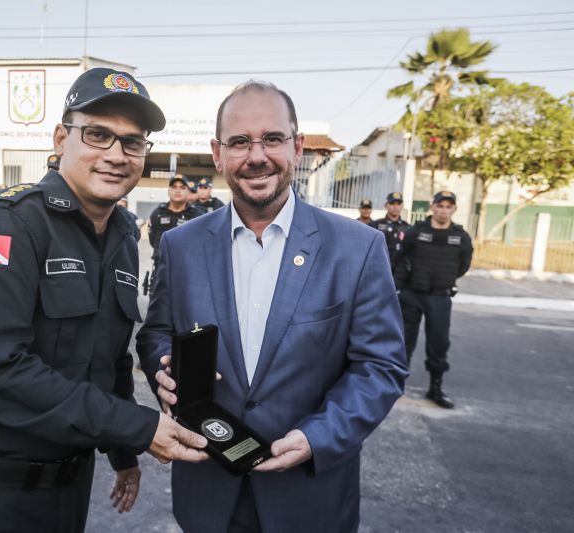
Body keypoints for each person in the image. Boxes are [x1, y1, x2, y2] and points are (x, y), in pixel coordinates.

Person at [0, 67, 208, 533]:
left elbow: (107, 359)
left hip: (68, 488)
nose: (116, 155)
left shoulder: (120, 235)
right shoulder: (9, 223)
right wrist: (135, 428)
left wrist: (122, 454)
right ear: (61, 138)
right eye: (98, 134)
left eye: (133, 142)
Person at [137, 80, 408, 532]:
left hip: (308, 498)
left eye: (273, 138)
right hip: (208, 495)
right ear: (218, 153)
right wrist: (161, 370)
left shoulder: (357, 248)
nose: (256, 155)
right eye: (239, 142)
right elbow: (156, 333)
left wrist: (318, 437)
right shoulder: (180, 246)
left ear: (297, 147)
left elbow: (380, 366)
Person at [394, 190, 473, 409]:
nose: (444, 211)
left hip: (440, 297)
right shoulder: (415, 232)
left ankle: (435, 389)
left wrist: (443, 279)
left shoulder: (461, 237)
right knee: (403, 342)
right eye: (440, 206)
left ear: (454, 209)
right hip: (412, 295)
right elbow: (399, 259)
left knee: (438, 344)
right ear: (432, 207)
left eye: (448, 207)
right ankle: (395, 386)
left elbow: (463, 265)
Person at [147, 175, 204, 281]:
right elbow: (152, 239)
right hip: (161, 269)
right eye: (174, 187)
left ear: (188, 192)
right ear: (168, 191)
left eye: (182, 188)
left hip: (188, 271)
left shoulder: (197, 215)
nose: (178, 191)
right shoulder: (157, 213)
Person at [369, 191, 411, 273]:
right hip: (379, 269)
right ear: (386, 205)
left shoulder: (408, 228)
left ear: (402, 206)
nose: (395, 207)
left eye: (398, 204)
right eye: (392, 203)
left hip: (400, 272)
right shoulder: (375, 225)